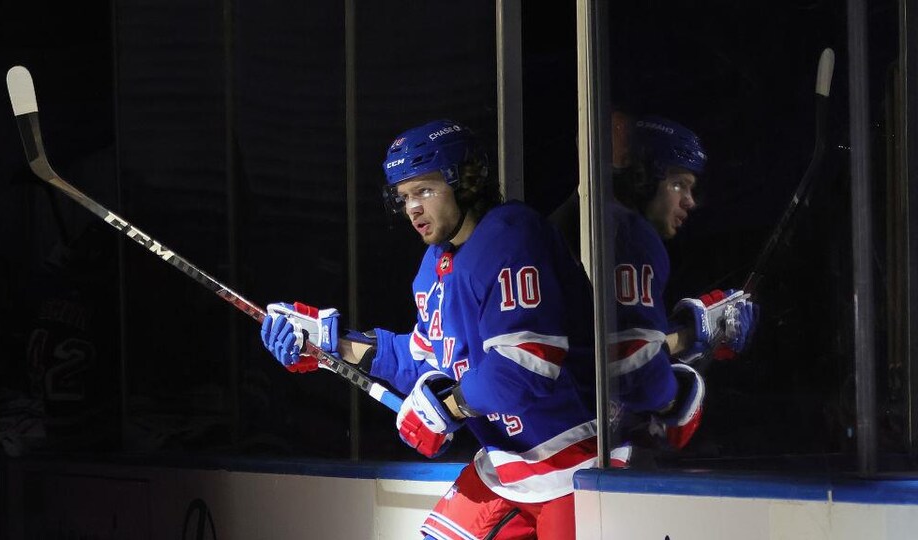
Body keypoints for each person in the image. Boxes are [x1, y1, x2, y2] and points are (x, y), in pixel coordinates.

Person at [261, 119, 599, 539]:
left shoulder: (512, 236)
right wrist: (330, 345)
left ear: (466, 180)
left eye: (424, 190)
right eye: (403, 197)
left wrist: (447, 408)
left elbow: (524, 367)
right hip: (507, 465)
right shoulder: (434, 269)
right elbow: (422, 358)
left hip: (576, 463)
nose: (412, 209)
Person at [607, 115, 758, 467]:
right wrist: (693, 344)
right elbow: (635, 373)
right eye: (679, 184)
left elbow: (615, 348)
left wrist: (692, 332)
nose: (690, 201)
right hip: (567, 464)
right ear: (645, 178)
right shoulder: (630, 234)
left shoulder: (602, 225)